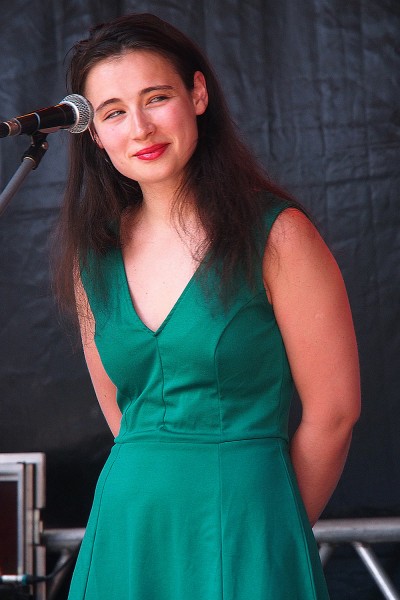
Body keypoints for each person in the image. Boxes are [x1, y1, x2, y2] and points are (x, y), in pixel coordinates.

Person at [54, 12, 361, 600]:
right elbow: (125, 417)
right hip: (129, 526)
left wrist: (270, 525)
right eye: (114, 112)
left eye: (156, 97)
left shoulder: (277, 235)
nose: (139, 127)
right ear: (94, 133)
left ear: (197, 94)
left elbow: (335, 413)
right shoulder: (90, 258)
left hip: (247, 519)